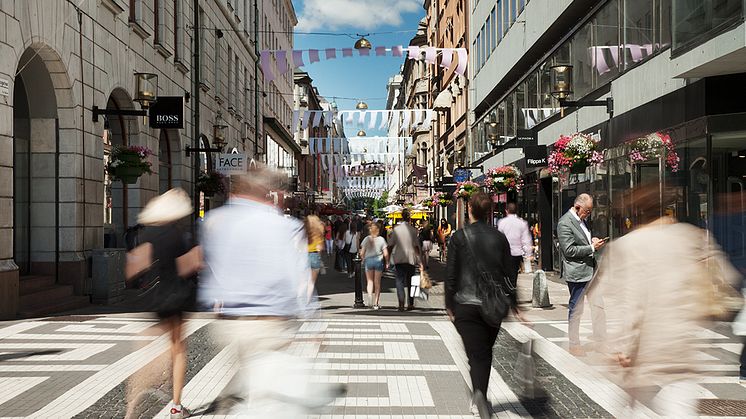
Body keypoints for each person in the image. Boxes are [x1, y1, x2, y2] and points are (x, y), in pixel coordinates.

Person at [590, 184, 740, 416]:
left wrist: (621, 348)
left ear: (635, 213)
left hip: (646, 356)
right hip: (681, 351)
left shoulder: (628, 246)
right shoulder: (691, 236)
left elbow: (631, 303)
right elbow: (726, 278)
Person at [199, 167, 336, 415]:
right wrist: (314, 324)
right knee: (268, 391)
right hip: (269, 323)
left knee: (251, 375)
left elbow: (209, 266)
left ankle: (244, 405)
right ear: (268, 193)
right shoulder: (282, 226)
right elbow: (296, 276)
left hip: (230, 323)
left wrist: (216, 302)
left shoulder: (216, 221)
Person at [125, 188, 201, 419]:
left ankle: (131, 407)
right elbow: (187, 266)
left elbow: (133, 268)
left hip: (154, 299)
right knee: (177, 350)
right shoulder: (178, 235)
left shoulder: (146, 234)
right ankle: (176, 406)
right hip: (176, 297)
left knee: (154, 352)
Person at [445, 192, 517, 418]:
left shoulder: (458, 237)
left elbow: (451, 275)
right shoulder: (499, 237)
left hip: (465, 304)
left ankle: (480, 397)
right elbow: (510, 274)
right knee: (484, 353)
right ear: (488, 212)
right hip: (493, 304)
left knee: (476, 354)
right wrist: (513, 303)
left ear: (469, 210)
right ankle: (480, 396)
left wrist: (449, 304)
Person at [557, 193, 606, 356]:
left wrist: (591, 241)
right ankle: (574, 343)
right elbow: (569, 250)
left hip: (591, 271)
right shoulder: (565, 223)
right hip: (578, 273)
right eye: (587, 211)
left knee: (598, 307)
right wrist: (592, 248)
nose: (589, 214)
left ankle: (601, 342)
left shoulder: (581, 220)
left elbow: (581, 242)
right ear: (577, 207)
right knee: (576, 309)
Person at [387, 209, 423, 311]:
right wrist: (420, 261)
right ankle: (411, 304)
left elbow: (390, 245)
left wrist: (387, 259)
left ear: (401, 216)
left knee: (399, 281)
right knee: (411, 281)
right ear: (409, 217)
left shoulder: (396, 230)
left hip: (399, 258)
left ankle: (401, 303)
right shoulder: (413, 230)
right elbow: (416, 246)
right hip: (411, 258)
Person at [497, 203, 533, 281]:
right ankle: (513, 286)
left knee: (505, 274)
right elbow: (526, 239)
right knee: (514, 274)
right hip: (517, 253)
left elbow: (499, 238)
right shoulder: (522, 223)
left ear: (506, 211)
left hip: (505, 253)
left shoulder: (502, 222)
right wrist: (528, 254)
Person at [359, 223, 389, 309]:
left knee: (369, 282)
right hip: (378, 261)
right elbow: (386, 253)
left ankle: (369, 300)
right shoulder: (381, 239)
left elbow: (362, 253)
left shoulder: (366, 239)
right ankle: (376, 303)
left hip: (368, 261)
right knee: (377, 283)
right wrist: (387, 262)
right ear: (378, 230)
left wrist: (363, 259)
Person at [305, 215, 325, 298]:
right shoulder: (318, 234)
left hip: (304, 256)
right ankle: (307, 300)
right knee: (311, 282)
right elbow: (320, 248)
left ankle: (300, 297)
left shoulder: (303, 233)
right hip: (314, 256)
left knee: (303, 281)